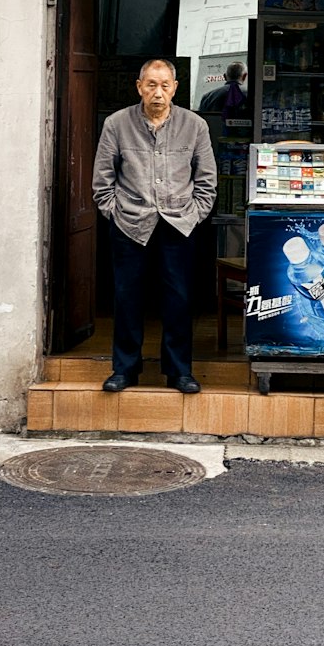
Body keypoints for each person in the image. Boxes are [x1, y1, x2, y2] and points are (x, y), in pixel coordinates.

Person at [92, 57, 217, 395]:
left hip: (179, 225)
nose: (158, 93)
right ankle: (125, 370)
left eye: (165, 85)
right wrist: (114, 213)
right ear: (139, 87)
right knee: (126, 298)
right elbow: (102, 180)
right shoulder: (117, 124)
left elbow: (206, 182)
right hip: (131, 224)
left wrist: (194, 215)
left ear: (175, 88)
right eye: (151, 84)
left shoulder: (195, 126)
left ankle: (179, 372)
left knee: (178, 300)